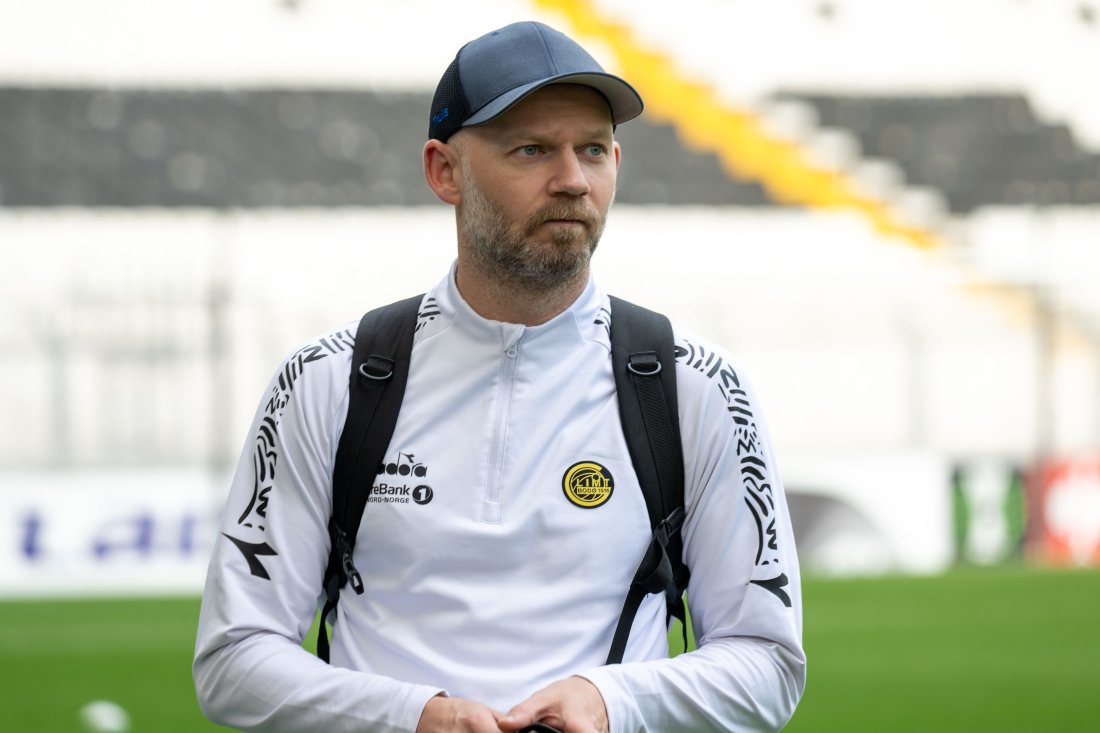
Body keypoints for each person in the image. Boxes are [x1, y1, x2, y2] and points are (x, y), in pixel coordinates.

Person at [194, 20, 805, 733]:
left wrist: (613, 701)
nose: (573, 179)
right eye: (532, 150)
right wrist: (410, 716)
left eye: (593, 150)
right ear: (443, 170)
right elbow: (233, 659)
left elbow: (769, 663)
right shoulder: (331, 381)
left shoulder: (693, 387)